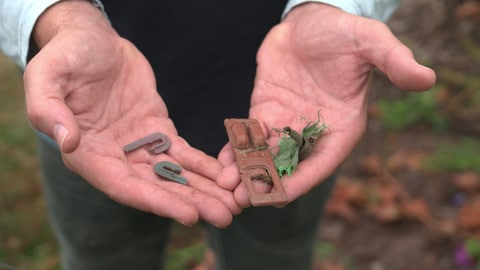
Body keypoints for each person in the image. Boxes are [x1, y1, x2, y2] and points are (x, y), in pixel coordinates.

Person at [0, 0, 436, 269]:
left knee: (273, 256)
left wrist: (333, 5)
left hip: (286, 106)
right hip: (93, 116)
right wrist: (54, 16)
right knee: (103, 257)